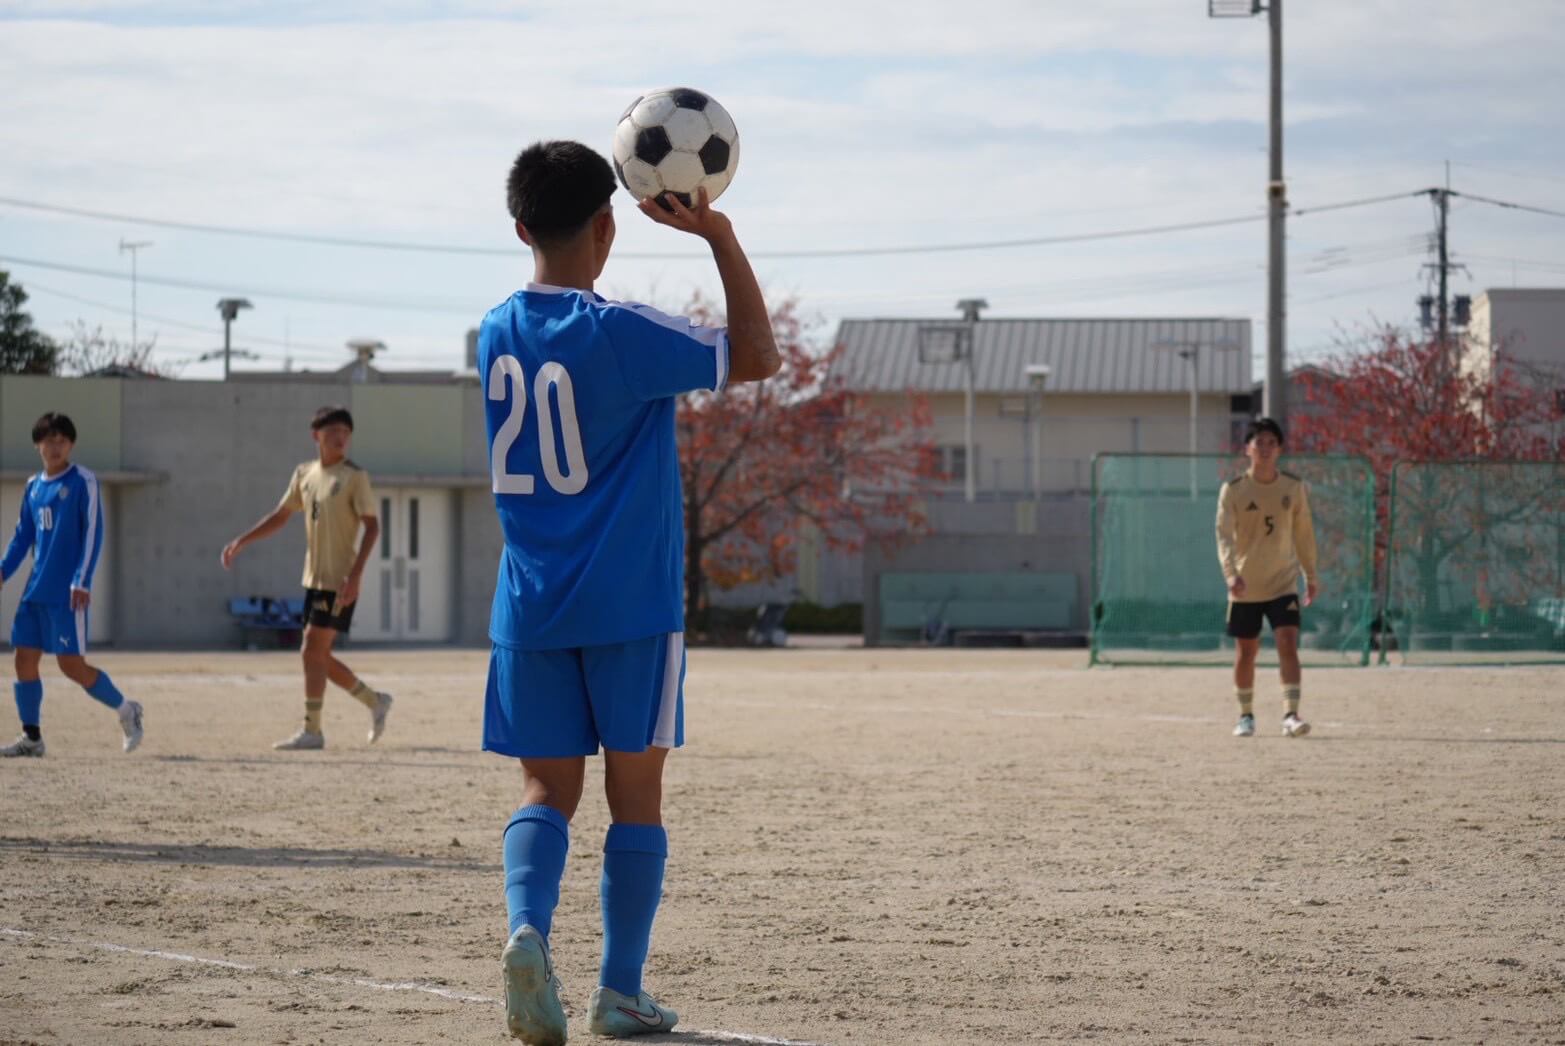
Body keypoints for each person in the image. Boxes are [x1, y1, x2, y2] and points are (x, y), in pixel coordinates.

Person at [481, 140, 779, 1044]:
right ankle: (618, 991)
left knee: (544, 789)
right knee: (636, 797)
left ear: (521, 228)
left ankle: (527, 930)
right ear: (608, 226)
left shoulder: (493, 331)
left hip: (529, 604)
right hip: (630, 607)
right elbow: (757, 356)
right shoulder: (620, 333)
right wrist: (718, 235)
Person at [220, 405, 392, 751]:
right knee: (316, 655)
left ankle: (313, 730)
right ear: (316, 435)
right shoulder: (304, 474)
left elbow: (373, 527)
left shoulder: (354, 476)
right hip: (313, 579)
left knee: (311, 649)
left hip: (340, 582)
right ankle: (374, 701)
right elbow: (280, 515)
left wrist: (356, 576)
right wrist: (242, 541)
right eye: (333, 431)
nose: (341, 437)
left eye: (346, 432)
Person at [1, 412, 143, 757]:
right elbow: (22, 537)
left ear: (72, 444)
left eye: (62, 441)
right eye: (49, 440)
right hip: (35, 592)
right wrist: (2, 571)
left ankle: (127, 710)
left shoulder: (83, 481)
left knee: (71, 666)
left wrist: (82, 581)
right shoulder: (33, 487)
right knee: (23, 660)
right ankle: (32, 738)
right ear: (37, 444)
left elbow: (94, 533)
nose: (56, 447)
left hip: (67, 594)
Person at [1215, 417, 1319, 739]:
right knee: (1246, 652)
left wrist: (1310, 574)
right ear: (1247, 448)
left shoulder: (1293, 488)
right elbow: (1223, 536)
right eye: (1258, 442)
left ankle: (1291, 714)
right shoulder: (1233, 490)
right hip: (1245, 586)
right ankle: (1245, 716)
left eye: (1271, 443)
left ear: (1280, 450)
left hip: (1283, 583)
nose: (1265, 448)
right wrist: (1231, 575)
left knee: (1288, 642)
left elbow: (1304, 534)